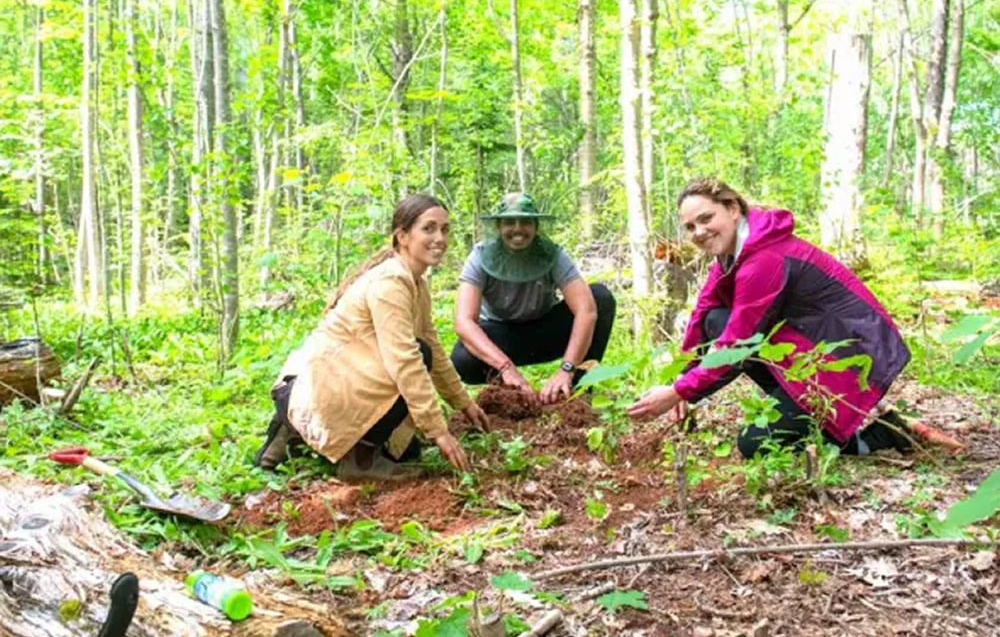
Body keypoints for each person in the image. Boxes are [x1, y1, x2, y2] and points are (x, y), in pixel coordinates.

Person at [628, 178, 912, 457]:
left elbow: (737, 346)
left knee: (755, 444)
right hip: (811, 345)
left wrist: (678, 392)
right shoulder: (733, 252)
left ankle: (875, 437)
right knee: (715, 319)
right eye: (690, 226)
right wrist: (682, 377)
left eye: (706, 218)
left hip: (856, 354)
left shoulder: (763, 259)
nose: (699, 232)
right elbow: (704, 311)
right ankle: (805, 414)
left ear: (733, 209)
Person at [255, 194, 490, 479]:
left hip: (333, 385)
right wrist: (438, 431)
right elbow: (405, 360)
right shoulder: (390, 282)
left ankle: (297, 434)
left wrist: (463, 402)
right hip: (317, 388)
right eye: (428, 228)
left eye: (444, 229)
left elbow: (435, 349)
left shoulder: (416, 283)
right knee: (417, 355)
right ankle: (358, 460)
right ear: (402, 236)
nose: (439, 238)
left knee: (409, 449)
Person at [451, 192, 616, 405]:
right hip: (500, 334)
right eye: (510, 222)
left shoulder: (553, 255)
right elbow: (464, 321)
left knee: (600, 297)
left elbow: (586, 310)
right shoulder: (480, 257)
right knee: (462, 357)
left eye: (526, 222)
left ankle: (577, 388)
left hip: (543, 330)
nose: (518, 229)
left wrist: (567, 369)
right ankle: (510, 393)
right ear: (499, 227)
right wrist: (506, 367)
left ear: (536, 227)